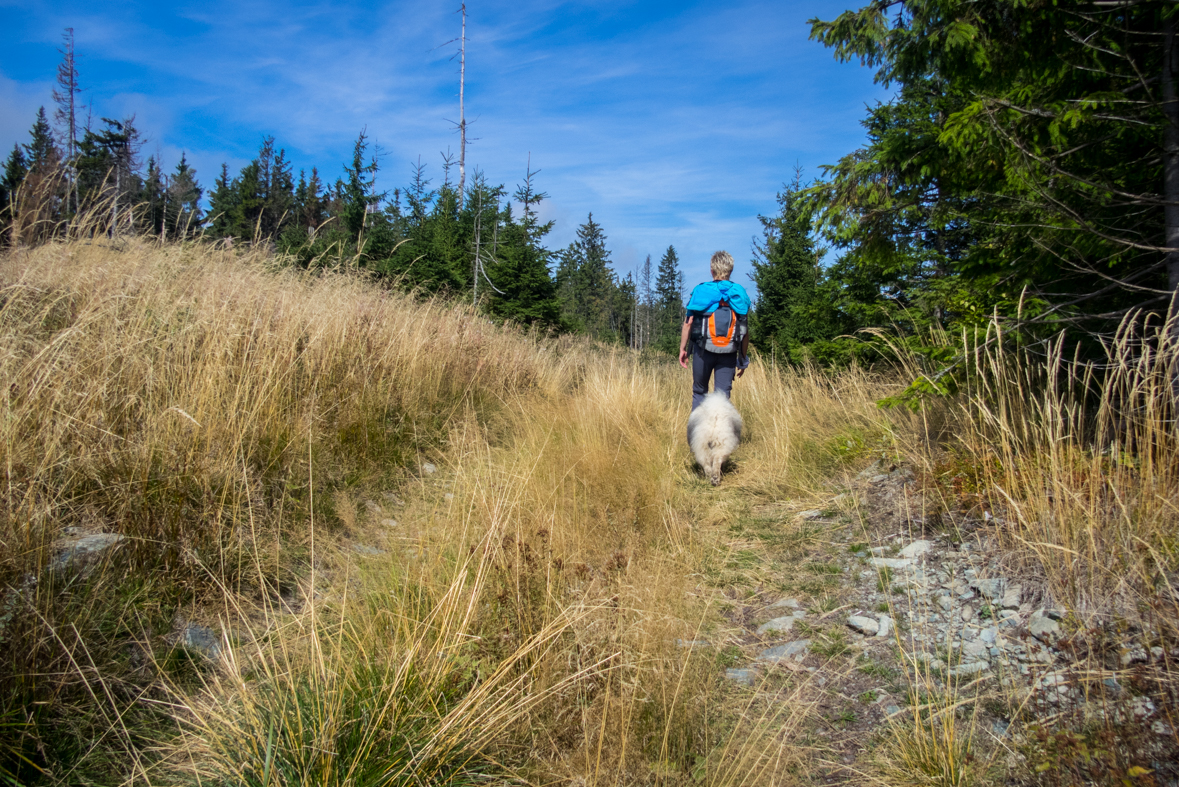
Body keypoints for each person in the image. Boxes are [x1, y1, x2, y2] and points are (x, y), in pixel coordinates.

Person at [678, 251, 751, 410]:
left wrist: (683, 349)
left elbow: (688, 323)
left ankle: (697, 435)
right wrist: (743, 358)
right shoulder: (739, 294)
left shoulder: (701, 291)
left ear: (711, 271)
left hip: (702, 352)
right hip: (729, 352)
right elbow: (744, 330)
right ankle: (720, 434)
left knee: (699, 393)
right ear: (730, 271)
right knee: (722, 398)